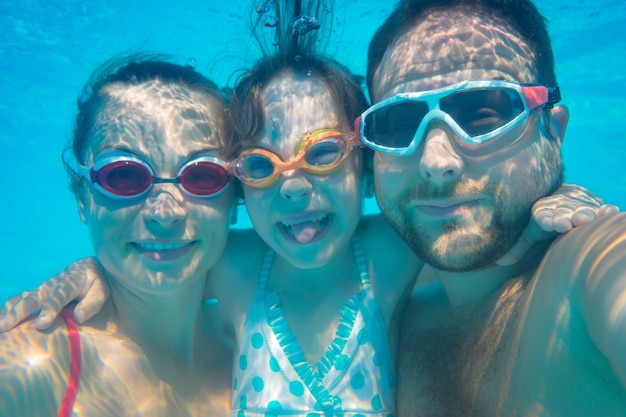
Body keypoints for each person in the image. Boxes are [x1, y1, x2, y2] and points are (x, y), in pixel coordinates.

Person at [0, 1, 616, 416]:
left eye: (320, 155)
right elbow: (159, 255)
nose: (291, 188)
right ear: (240, 189)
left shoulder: (389, 255)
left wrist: (542, 210)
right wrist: (88, 273)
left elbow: (473, 231)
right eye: (263, 167)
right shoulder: (241, 270)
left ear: (366, 169)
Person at [359, 0, 626, 415]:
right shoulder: (390, 303)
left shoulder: (588, 268)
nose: (435, 162)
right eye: (399, 125)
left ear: (552, 133)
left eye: (484, 115)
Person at [0, 57, 236, 416]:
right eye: (124, 177)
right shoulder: (35, 363)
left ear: (235, 200)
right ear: (82, 198)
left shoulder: (256, 337)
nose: (165, 212)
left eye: (202, 176)